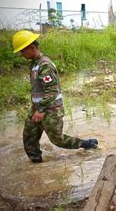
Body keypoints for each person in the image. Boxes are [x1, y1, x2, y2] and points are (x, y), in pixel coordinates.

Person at [12, 30, 98, 163]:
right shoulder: (34, 64)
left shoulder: (45, 65)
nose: (21, 54)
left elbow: (52, 90)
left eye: (22, 51)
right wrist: (37, 108)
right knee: (29, 137)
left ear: (31, 47)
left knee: (58, 140)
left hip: (49, 109)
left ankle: (87, 144)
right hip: (37, 108)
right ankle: (36, 165)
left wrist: (41, 110)